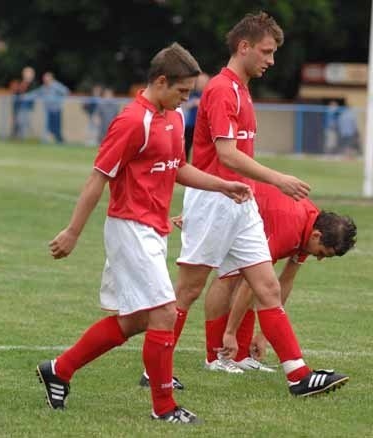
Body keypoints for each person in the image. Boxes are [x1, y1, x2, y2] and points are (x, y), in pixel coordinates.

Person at [35, 42, 252, 424]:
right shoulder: (133, 120)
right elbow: (97, 179)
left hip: (153, 230)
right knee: (165, 313)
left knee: (136, 321)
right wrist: (72, 232)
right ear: (161, 81)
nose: (187, 99)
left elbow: (176, 168)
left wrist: (222, 185)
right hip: (129, 228)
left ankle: (60, 369)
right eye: (183, 91)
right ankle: (164, 408)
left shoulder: (172, 117)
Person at [168, 12, 349, 397]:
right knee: (189, 290)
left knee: (266, 287)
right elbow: (227, 155)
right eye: (266, 52)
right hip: (215, 197)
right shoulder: (222, 89)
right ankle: (158, 370)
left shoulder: (242, 90)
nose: (271, 60)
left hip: (240, 201)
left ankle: (298, 375)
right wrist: (278, 179)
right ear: (243, 47)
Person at [202, 182, 357, 373]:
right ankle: (215, 357)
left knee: (255, 282)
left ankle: (240, 356)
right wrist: (230, 332)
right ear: (317, 236)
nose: (319, 258)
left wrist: (264, 334)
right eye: (322, 253)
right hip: (226, 205)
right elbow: (251, 284)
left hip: (245, 213)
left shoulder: (311, 226)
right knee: (230, 278)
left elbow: (285, 282)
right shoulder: (289, 229)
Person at [25, 72, 70, 143]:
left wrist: (59, 100)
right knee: (47, 127)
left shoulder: (56, 86)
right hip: (48, 111)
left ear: (51, 78)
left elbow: (66, 91)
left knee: (57, 128)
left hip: (56, 110)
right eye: (44, 79)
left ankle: (60, 141)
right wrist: (25, 97)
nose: (45, 80)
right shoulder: (44, 88)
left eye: (47, 78)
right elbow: (36, 93)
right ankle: (46, 141)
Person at [183, 72, 210, 160]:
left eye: (203, 81)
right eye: (199, 82)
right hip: (191, 125)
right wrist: (193, 102)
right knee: (186, 145)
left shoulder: (209, 94)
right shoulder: (191, 93)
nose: (201, 84)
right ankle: (185, 162)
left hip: (203, 126)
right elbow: (185, 105)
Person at [9, 66, 37, 139]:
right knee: (17, 122)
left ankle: (22, 137)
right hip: (17, 106)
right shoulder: (20, 82)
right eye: (25, 73)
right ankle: (15, 137)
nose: (27, 74)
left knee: (22, 122)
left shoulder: (34, 84)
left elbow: (33, 95)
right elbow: (16, 93)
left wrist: (24, 96)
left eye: (29, 73)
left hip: (26, 107)